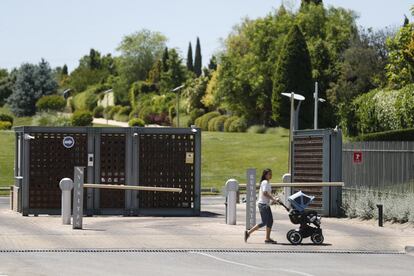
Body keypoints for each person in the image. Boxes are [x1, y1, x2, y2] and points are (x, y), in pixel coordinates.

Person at [244, 168, 279, 244]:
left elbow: (267, 194)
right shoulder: (265, 182)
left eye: (271, 173)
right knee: (264, 222)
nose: (271, 175)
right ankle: (248, 233)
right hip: (263, 205)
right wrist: (273, 199)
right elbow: (265, 193)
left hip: (265, 204)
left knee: (270, 221)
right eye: (269, 174)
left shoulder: (267, 182)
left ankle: (267, 238)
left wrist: (273, 199)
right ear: (265, 175)